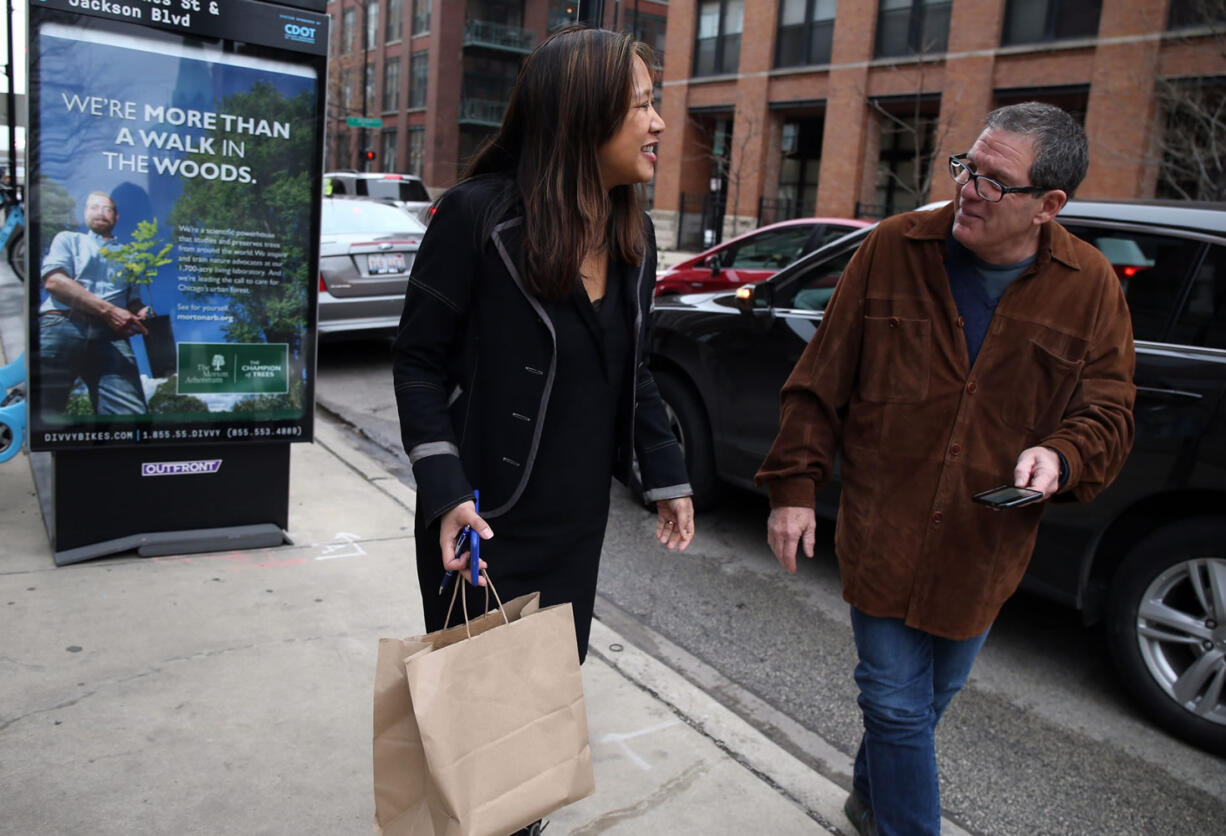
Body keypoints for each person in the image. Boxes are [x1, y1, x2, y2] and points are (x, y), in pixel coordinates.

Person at [756, 102, 1136, 836]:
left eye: (995, 182)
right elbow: (818, 380)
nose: (967, 188)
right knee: (895, 703)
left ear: (1048, 206)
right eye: (967, 166)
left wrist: (1061, 453)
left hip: (982, 547)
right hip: (883, 531)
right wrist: (793, 490)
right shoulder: (895, 247)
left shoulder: (1089, 287)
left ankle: (870, 796)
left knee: (926, 702)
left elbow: (1111, 408)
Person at [393, 27, 693, 664]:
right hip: (482, 522)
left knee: (547, 704)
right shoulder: (476, 217)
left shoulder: (633, 238)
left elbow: (631, 371)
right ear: (583, 115)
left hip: (577, 526)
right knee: (478, 716)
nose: (659, 122)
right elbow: (418, 362)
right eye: (641, 105)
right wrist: (444, 490)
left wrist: (665, 473)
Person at [38, 190, 149, 418]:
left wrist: (143, 311)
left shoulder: (132, 256)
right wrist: (108, 310)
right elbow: (54, 282)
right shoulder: (68, 239)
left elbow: (133, 301)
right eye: (93, 207)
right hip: (62, 322)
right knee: (42, 409)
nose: (100, 213)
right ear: (85, 213)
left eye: (106, 208)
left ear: (116, 217)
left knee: (131, 416)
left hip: (111, 335)